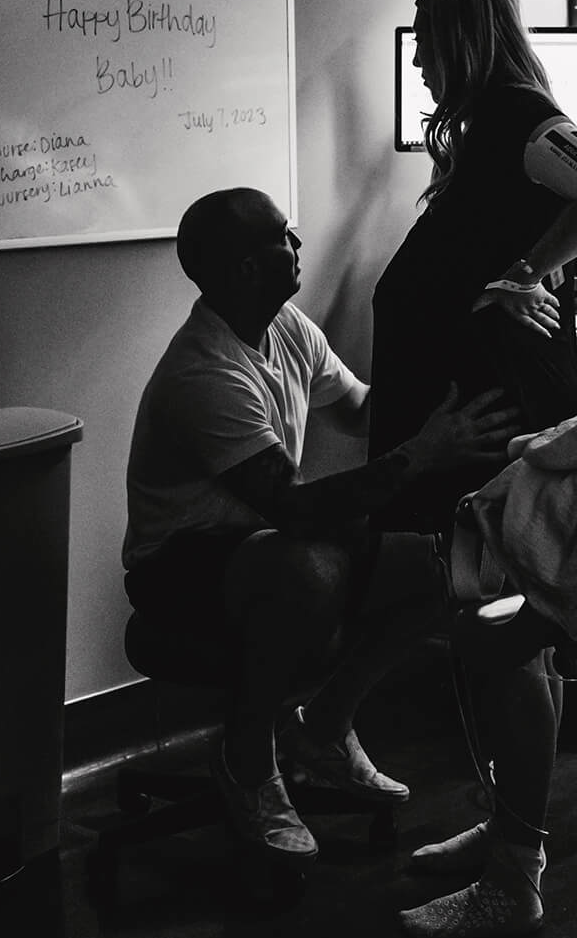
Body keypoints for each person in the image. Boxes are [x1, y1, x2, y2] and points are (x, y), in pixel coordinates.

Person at [122, 187, 523, 865]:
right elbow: (294, 507)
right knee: (305, 566)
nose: (299, 245)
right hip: (178, 568)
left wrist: (458, 349)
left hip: (265, 541)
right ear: (249, 269)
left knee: (441, 570)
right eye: (285, 236)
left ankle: (325, 729)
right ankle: (247, 763)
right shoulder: (206, 373)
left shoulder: (286, 328)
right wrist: (422, 453)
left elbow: (365, 408)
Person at [372, 0, 577, 938]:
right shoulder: (483, 137)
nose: (414, 60)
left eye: (424, 41)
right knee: (490, 641)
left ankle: (513, 874)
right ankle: (505, 829)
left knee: (503, 645)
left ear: (464, 39)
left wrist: (532, 269)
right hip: (468, 429)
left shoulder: (523, 117)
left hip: (506, 430)